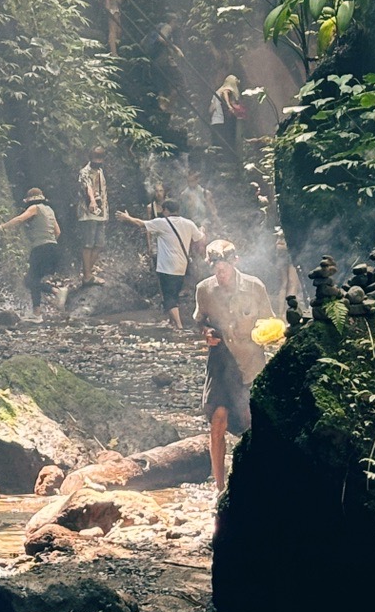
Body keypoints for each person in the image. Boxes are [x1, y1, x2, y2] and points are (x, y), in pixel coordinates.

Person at [193, 239, 276, 487]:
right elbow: (199, 320)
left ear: (235, 263)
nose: (220, 275)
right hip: (220, 362)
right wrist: (206, 332)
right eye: (215, 270)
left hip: (250, 362)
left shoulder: (254, 287)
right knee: (218, 419)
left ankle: (258, 481)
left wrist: (266, 334)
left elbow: (271, 321)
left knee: (251, 424)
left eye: (224, 269)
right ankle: (220, 487)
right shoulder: (204, 290)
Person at [116, 202, 203, 332]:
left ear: (166, 210)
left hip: (167, 267)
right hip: (182, 265)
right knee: (174, 294)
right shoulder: (188, 223)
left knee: (169, 297)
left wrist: (127, 218)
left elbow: (141, 223)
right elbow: (199, 238)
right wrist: (202, 230)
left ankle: (178, 325)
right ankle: (171, 321)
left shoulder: (163, 223)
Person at [0, 188, 62, 315]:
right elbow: (58, 232)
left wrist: (1, 227)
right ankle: (37, 313)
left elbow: (20, 219)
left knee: (29, 281)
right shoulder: (49, 210)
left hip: (40, 249)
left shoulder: (35, 208)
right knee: (34, 280)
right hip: (53, 248)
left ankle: (55, 291)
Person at [75, 153, 109, 286]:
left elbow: (104, 192)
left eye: (101, 159)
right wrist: (93, 201)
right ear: (91, 159)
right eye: (96, 159)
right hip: (88, 211)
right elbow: (88, 187)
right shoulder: (84, 172)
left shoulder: (100, 171)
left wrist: (106, 213)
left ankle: (87, 274)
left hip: (101, 213)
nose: (98, 161)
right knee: (88, 244)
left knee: (100, 244)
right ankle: (88, 276)